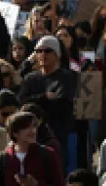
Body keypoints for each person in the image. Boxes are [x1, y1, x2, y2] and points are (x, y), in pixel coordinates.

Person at [16, 36, 77, 169]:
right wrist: (44, 98)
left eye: (48, 51)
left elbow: (61, 104)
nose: (42, 55)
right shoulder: (30, 78)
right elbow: (21, 102)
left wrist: (34, 101)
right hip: (30, 138)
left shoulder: (66, 77)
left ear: (57, 54)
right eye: (39, 51)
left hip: (57, 135)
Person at [0, 112, 65, 186]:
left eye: (34, 126)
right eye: (26, 127)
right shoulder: (3, 159)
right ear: (15, 133)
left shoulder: (47, 155)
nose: (33, 131)